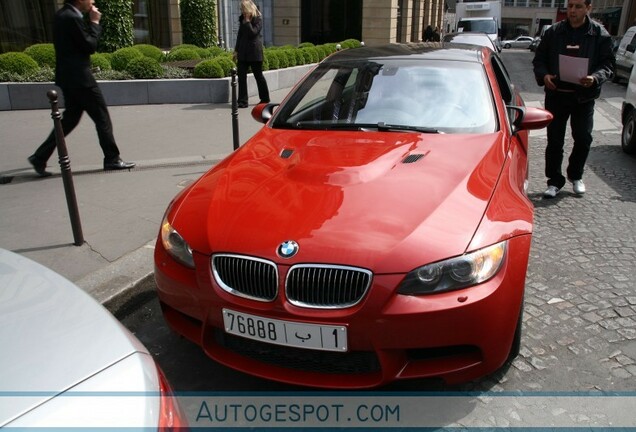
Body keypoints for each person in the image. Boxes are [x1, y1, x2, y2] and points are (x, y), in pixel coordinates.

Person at [28, 0, 135, 177]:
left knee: (69, 120)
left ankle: (39, 157)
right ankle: (112, 159)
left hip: (69, 77)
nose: (92, 1)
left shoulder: (62, 15)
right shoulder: (71, 17)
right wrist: (94, 22)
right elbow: (89, 46)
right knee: (102, 117)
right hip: (81, 79)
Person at [532, 0, 614, 198]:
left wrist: (594, 78)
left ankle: (576, 175)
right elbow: (539, 60)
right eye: (570, 6)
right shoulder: (553, 32)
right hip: (557, 95)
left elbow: (608, 65)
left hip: (583, 97)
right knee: (554, 141)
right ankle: (554, 181)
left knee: (583, 138)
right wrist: (545, 76)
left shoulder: (599, 34)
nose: (573, 11)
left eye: (578, 6)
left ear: (588, 8)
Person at [233, 0, 270, 108]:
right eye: (242, 9)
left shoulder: (258, 18)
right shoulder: (242, 19)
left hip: (254, 52)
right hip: (243, 52)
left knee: (258, 76)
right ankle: (242, 101)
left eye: (244, 9)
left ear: (249, 9)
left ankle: (265, 98)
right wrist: (236, 51)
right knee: (241, 77)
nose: (242, 12)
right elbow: (240, 36)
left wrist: (248, 22)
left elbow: (253, 33)